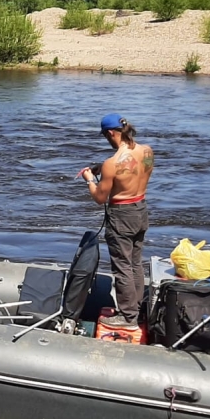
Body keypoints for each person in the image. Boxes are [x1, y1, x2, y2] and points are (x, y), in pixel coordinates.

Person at [80, 114, 154, 328]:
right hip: (141, 209)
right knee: (135, 263)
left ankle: (128, 317)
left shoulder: (111, 164)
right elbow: (137, 170)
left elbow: (99, 198)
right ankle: (136, 309)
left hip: (121, 215)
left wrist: (91, 180)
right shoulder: (147, 151)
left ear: (111, 133)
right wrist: (102, 170)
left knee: (122, 266)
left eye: (105, 135)